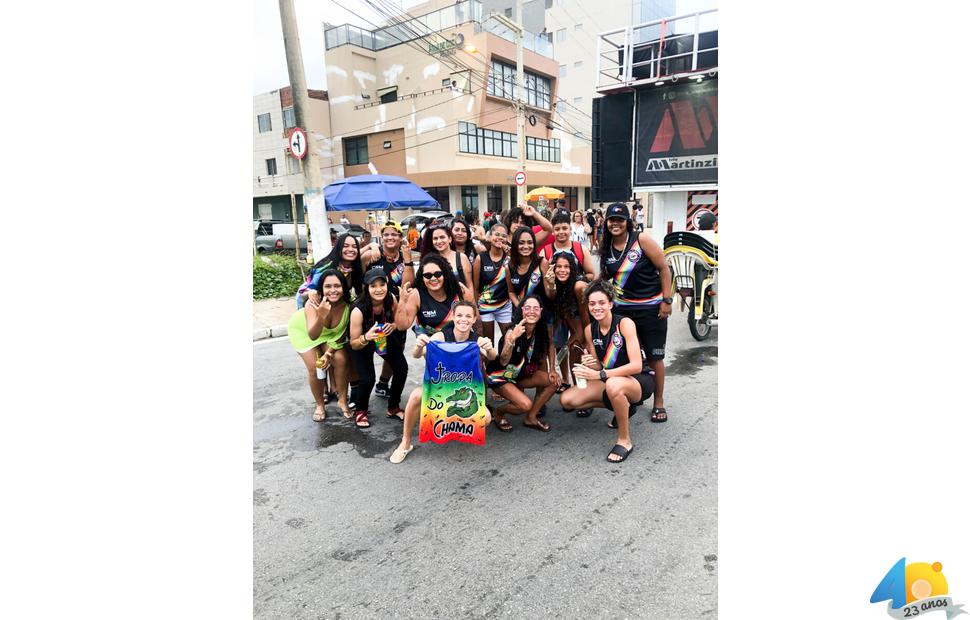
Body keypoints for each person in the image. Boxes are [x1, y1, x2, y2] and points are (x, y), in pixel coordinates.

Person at [559, 280, 655, 463]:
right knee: (567, 400)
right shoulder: (590, 330)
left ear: (610, 303)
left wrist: (599, 374)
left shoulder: (624, 324)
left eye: (602, 302)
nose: (596, 307)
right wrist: (590, 364)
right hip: (612, 378)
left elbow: (636, 365)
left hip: (639, 379)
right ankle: (624, 406)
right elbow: (599, 365)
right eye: (592, 303)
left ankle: (624, 440)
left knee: (613, 385)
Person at [389, 301, 496, 464]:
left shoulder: (476, 341)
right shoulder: (441, 336)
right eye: (459, 315)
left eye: (468, 316)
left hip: (463, 391)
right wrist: (419, 346)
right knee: (416, 396)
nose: (463, 319)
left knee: (486, 418)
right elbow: (418, 354)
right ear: (453, 316)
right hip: (440, 388)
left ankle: (451, 425)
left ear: (474, 319)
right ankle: (405, 441)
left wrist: (489, 347)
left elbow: (492, 356)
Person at [599, 202, 672, 423]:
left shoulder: (641, 240)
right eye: (611, 220)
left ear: (627, 222)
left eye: (620, 220)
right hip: (623, 310)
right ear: (606, 222)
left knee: (654, 356)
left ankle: (658, 401)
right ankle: (630, 400)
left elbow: (664, 268)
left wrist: (667, 300)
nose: (615, 224)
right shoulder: (607, 246)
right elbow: (606, 276)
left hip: (651, 308)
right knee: (627, 357)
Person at [485, 296, 559, 432]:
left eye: (535, 308)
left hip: (520, 374)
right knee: (525, 405)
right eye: (528, 308)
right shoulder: (512, 331)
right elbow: (503, 361)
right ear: (522, 311)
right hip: (501, 376)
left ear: (541, 311)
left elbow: (550, 345)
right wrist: (512, 340)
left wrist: (553, 368)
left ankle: (531, 417)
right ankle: (498, 412)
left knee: (554, 381)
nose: (532, 311)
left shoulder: (541, 329)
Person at [287, 269, 353, 420]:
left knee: (341, 359)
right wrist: (322, 315)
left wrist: (328, 354)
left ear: (344, 287)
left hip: (330, 336)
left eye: (337, 286)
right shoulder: (313, 304)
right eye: (328, 286)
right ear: (321, 289)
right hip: (304, 332)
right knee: (315, 366)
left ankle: (342, 400)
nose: (333, 290)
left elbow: (341, 335)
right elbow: (313, 335)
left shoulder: (348, 307)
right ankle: (319, 405)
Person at [348, 268, 408, 428]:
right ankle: (361, 411)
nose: (379, 289)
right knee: (367, 379)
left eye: (382, 284)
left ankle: (393, 407)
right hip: (363, 340)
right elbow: (354, 343)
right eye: (373, 286)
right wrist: (367, 337)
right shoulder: (358, 310)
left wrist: (393, 325)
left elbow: (398, 321)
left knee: (401, 368)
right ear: (366, 288)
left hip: (382, 336)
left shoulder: (391, 299)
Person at [365, 219, 415, 400]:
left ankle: (383, 384)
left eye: (394, 234)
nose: (390, 237)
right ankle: (358, 393)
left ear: (400, 237)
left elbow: (407, 285)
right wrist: (371, 246)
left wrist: (408, 261)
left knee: (395, 351)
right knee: (368, 351)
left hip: (395, 313)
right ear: (381, 237)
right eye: (386, 234)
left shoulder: (404, 258)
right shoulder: (374, 256)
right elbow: (352, 261)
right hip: (372, 313)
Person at [541, 252, 589, 399]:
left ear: (572, 268)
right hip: (567, 318)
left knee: (576, 350)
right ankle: (570, 384)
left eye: (566, 267)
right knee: (562, 346)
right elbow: (552, 299)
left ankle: (582, 393)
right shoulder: (554, 281)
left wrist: (587, 339)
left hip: (583, 321)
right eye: (559, 266)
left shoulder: (578, 286)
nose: (562, 270)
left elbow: (585, 317)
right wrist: (550, 285)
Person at [394, 253, 477, 336]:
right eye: (428, 275)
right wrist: (402, 301)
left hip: (457, 340)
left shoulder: (460, 290)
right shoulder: (416, 295)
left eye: (437, 274)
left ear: (445, 274)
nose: (433, 278)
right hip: (429, 341)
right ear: (422, 277)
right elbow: (401, 326)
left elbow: (474, 317)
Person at [472, 222, 513, 346]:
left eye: (504, 236)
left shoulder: (510, 258)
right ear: (489, 237)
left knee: (509, 341)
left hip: (505, 306)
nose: (500, 238)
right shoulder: (480, 258)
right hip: (485, 306)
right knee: (488, 344)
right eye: (497, 234)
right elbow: (475, 288)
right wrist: (475, 310)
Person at [419, 222, 475, 293]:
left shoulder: (462, 258)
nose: (439, 241)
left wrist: (471, 299)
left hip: (460, 299)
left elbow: (469, 285)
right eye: (435, 238)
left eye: (442, 237)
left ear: (450, 239)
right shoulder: (429, 260)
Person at [541, 209, 595, 280]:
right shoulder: (545, 252)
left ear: (570, 230)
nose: (561, 232)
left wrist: (577, 281)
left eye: (564, 228)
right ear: (553, 231)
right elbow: (541, 278)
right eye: (557, 229)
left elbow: (591, 274)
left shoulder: (581, 249)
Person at [507, 226, 549, 311]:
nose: (526, 246)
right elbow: (511, 292)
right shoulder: (509, 267)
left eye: (530, 243)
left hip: (541, 312)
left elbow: (550, 295)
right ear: (515, 244)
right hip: (521, 312)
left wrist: (551, 285)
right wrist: (520, 306)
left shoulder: (542, 263)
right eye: (521, 243)